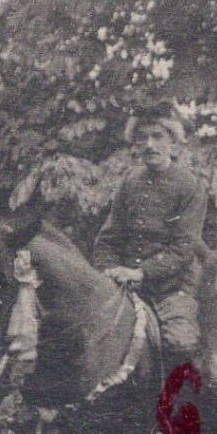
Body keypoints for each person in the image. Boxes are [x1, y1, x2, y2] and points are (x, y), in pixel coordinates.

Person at [89, 101, 208, 366]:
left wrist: (142, 272)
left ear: (174, 143)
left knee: (181, 342)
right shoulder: (128, 182)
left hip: (172, 287)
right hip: (123, 284)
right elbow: (108, 238)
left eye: (158, 137)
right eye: (142, 138)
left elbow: (183, 248)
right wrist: (109, 269)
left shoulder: (190, 185)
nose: (150, 145)